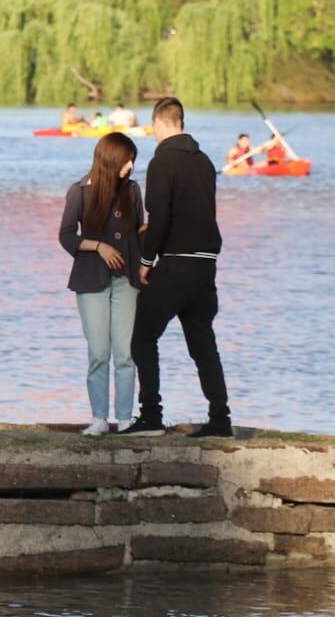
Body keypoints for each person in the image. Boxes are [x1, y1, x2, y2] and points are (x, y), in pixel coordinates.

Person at [119, 97, 233, 439]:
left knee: (142, 339)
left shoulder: (161, 161)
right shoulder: (205, 162)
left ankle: (151, 416)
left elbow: (161, 216)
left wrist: (144, 261)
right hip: (206, 267)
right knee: (203, 345)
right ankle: (220, 419)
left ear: (159, 124)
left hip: (176, 265)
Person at [59, 132, 144, 436]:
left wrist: (147, 257)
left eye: (133, 159)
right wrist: (98, 246)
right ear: (109, 159)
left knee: (126, 352)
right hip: (91, 279)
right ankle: (98, 418)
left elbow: (137, 233)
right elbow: (66, 235)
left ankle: (125, 418)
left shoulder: (133, 191)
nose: (130, 166)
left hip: (127, 281)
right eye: (125, 160)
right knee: (99, 352)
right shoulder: (80, 191)